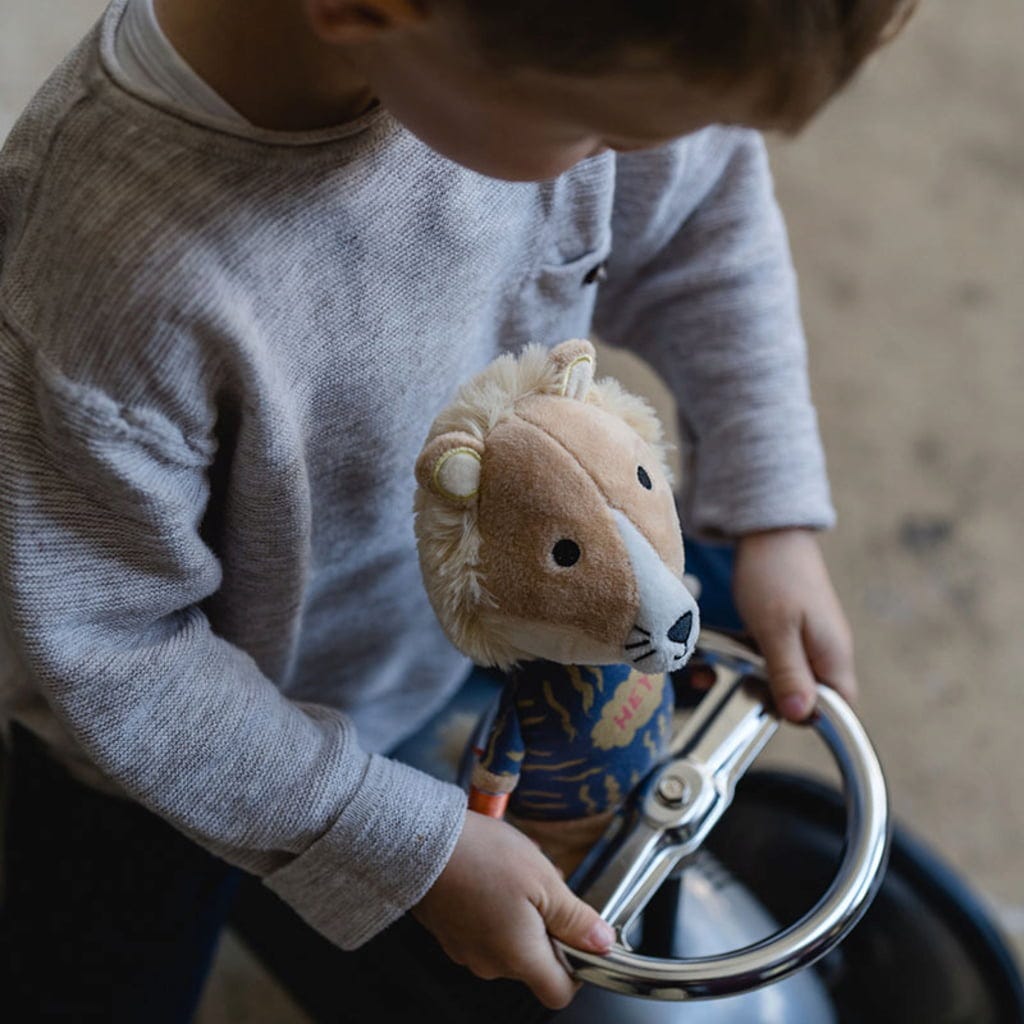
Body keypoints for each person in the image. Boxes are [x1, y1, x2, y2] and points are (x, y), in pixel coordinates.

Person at [0, 0, 915, 1020]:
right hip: (165, 753)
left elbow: (704, 219)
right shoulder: (109, 279)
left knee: (708, 618)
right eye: (602, 132)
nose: (630, 160)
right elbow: (115, 651)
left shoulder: (517, 57)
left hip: (497, 592)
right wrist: (388, 837)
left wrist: (770, 513)